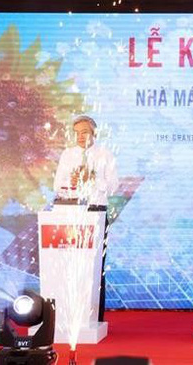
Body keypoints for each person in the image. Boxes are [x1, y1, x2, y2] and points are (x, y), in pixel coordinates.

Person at [53, 115, 119, 322]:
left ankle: (94, 316)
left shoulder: (105, 154)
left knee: (95, 264)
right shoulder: (68, 154)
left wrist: (93, 179)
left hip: (95, 210)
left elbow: (113, 185)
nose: (81, 137)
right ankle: (70, 313)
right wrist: (71, 182)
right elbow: (57, 186)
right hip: (71, 211)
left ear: (94, 133)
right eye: (77, 133)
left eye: (85, 132)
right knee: (71, 262)